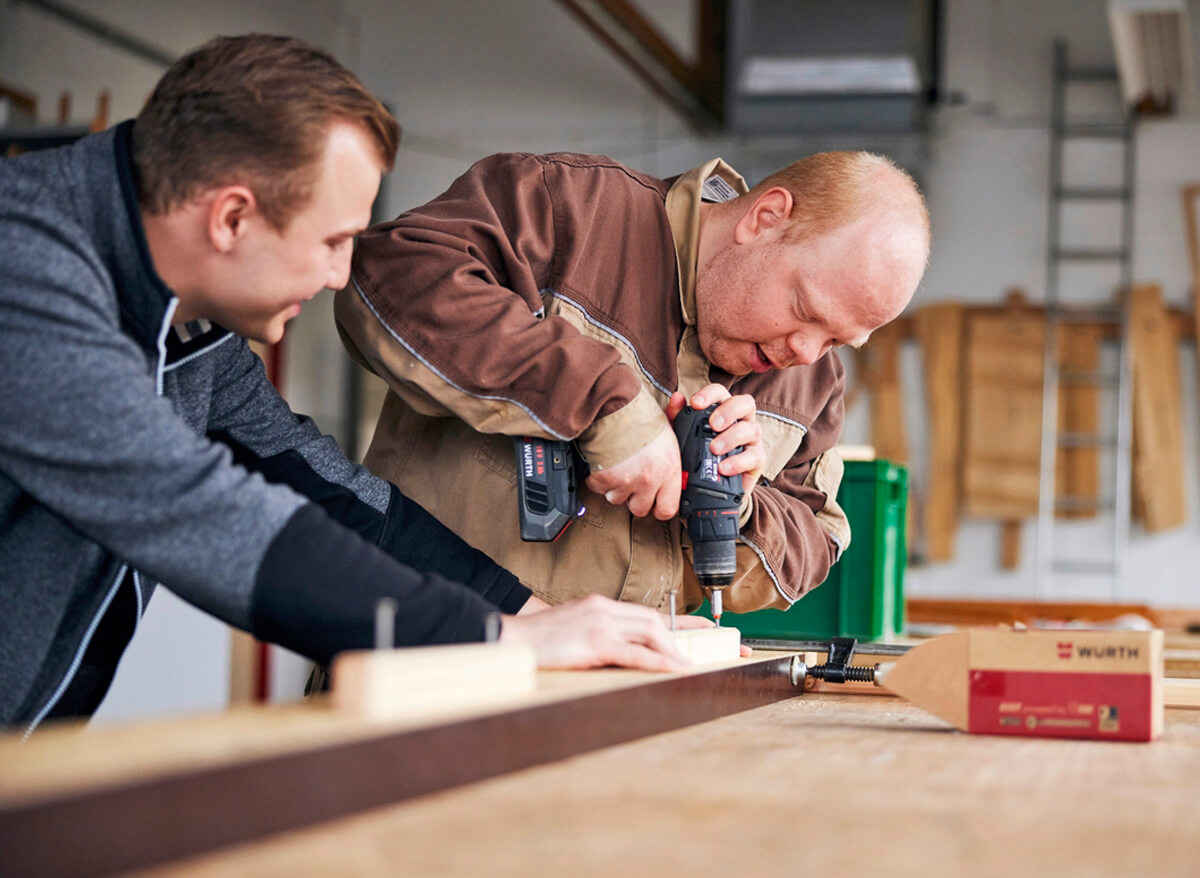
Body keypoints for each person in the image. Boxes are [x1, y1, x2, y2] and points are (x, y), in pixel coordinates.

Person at [0, 35, 698, 735]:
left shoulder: (193, 332)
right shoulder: (22, 271)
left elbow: (327, 490)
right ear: (231, 217)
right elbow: (197, 511)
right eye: (334, 242)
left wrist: (532, 616)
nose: (341, 274)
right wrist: (495, 642)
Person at [335, 151, 929, 617]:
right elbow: (387, 276)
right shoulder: (567, 209)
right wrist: (602, 404)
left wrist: (738, 504)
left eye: (835, 341)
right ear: (765, 218)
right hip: (427, 673)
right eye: (804, 306)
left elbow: (816, 537)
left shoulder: (812, 380)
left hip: (617, 707)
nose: (804, 351)